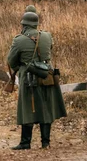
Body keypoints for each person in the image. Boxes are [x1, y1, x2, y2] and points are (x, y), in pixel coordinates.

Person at [7, 12, 67, 150]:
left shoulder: (19, 40)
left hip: (29, 78)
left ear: (24, 24)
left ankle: (25, 142)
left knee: (28, 108)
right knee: (46, 108)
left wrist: (21, 67)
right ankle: (45, 142)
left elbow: (11, 60)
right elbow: (48, 51)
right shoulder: (46, 36)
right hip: (47, 76)